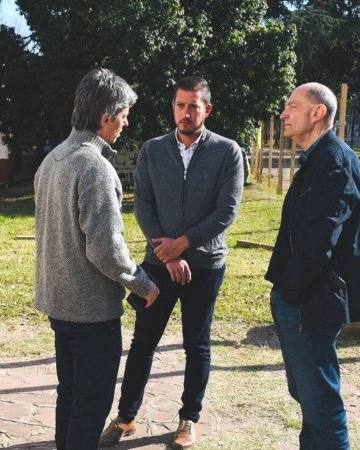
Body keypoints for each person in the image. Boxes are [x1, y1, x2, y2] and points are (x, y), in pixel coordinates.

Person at [100, 76, 243, 449]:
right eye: (180, 105)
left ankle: (188, 419)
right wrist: (166, 252)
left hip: (205, 265)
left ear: (206, 109)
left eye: (194, 105)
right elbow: (142, 205)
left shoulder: (228, 152)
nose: (186, 112)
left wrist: (183, 245)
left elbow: (226, 211)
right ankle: (126, 417)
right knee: (143, 342)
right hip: (158, 265)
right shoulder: (152, 150)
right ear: (173, 107)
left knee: (197, 344)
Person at [33, 67, 160, 450]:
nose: (125, 123)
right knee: (90, 406)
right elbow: (105, 249)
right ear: (106, 117)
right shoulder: (94, 167)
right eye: (123, 116)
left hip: (60, 304)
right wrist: (143, 283)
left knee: (69, 395)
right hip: (91, 313)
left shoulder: (53, 158)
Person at [265, 82, 360, 449]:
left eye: (292, 106)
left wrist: (289, 293)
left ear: (318, 113)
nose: (284, 113)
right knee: (309, 399)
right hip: (303, 298)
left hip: (310, 301)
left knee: (321, 403)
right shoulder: (318, 158)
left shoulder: (334, 162)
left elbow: (318, 243)